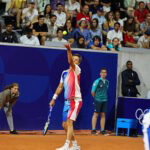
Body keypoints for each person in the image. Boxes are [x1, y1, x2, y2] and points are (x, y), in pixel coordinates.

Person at [49, 44, 82, 150]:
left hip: (75, 100)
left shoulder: (77, 69)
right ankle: (75, 145)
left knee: (69, 122)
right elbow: (60, 87)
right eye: (73, 59)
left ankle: (67, 145)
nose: (74, 61)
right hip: (67, 102)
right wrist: (54, 98)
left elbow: (70, 62)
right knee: (64, 125)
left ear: (78, 63)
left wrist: (68, 50)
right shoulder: (64, 73)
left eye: (76, 60)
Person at [91, 68, 109, 135]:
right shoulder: (97, 81)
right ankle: (93, 130)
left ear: (106, 74)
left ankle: (102, 130)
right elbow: (92, 92)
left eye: (105, 72)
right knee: (96, 114)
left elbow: (105, 91)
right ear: (100, 73)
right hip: (97, 100)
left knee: (103, 115)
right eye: (102, 72)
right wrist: (96, 99)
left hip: (105, 100)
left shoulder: (107, 82)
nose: (104, 74)